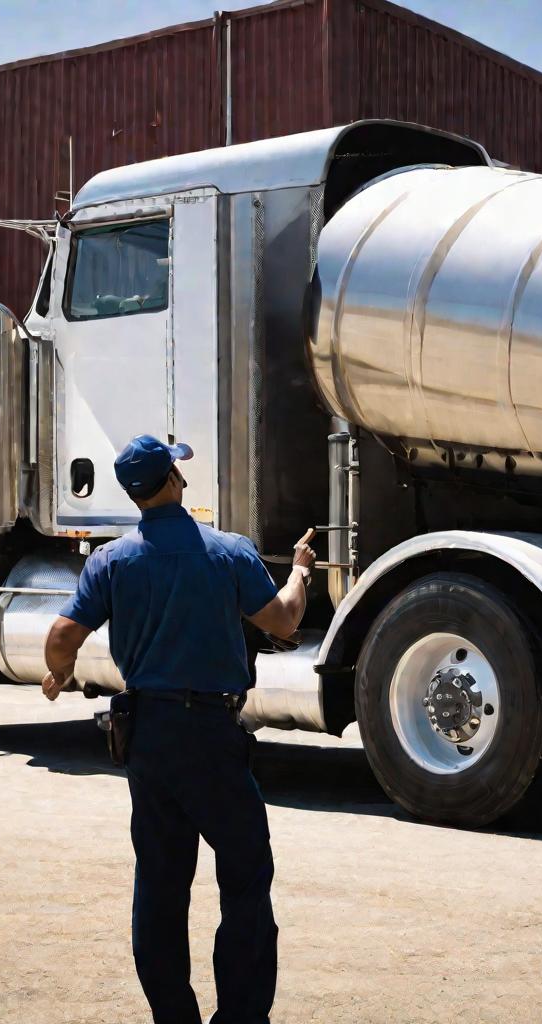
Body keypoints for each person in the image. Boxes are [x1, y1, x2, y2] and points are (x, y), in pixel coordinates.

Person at [41, 434, 316, 1024]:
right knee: (244, 877)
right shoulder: (228, 552)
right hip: (212, 734)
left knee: (161, 884)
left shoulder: (111, 560)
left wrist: (58, 674)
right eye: (178, 470)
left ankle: (175, 1017)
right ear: (171, 481)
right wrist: (299, 572)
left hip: (148, 736)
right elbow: (287, 623)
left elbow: (62, 637)